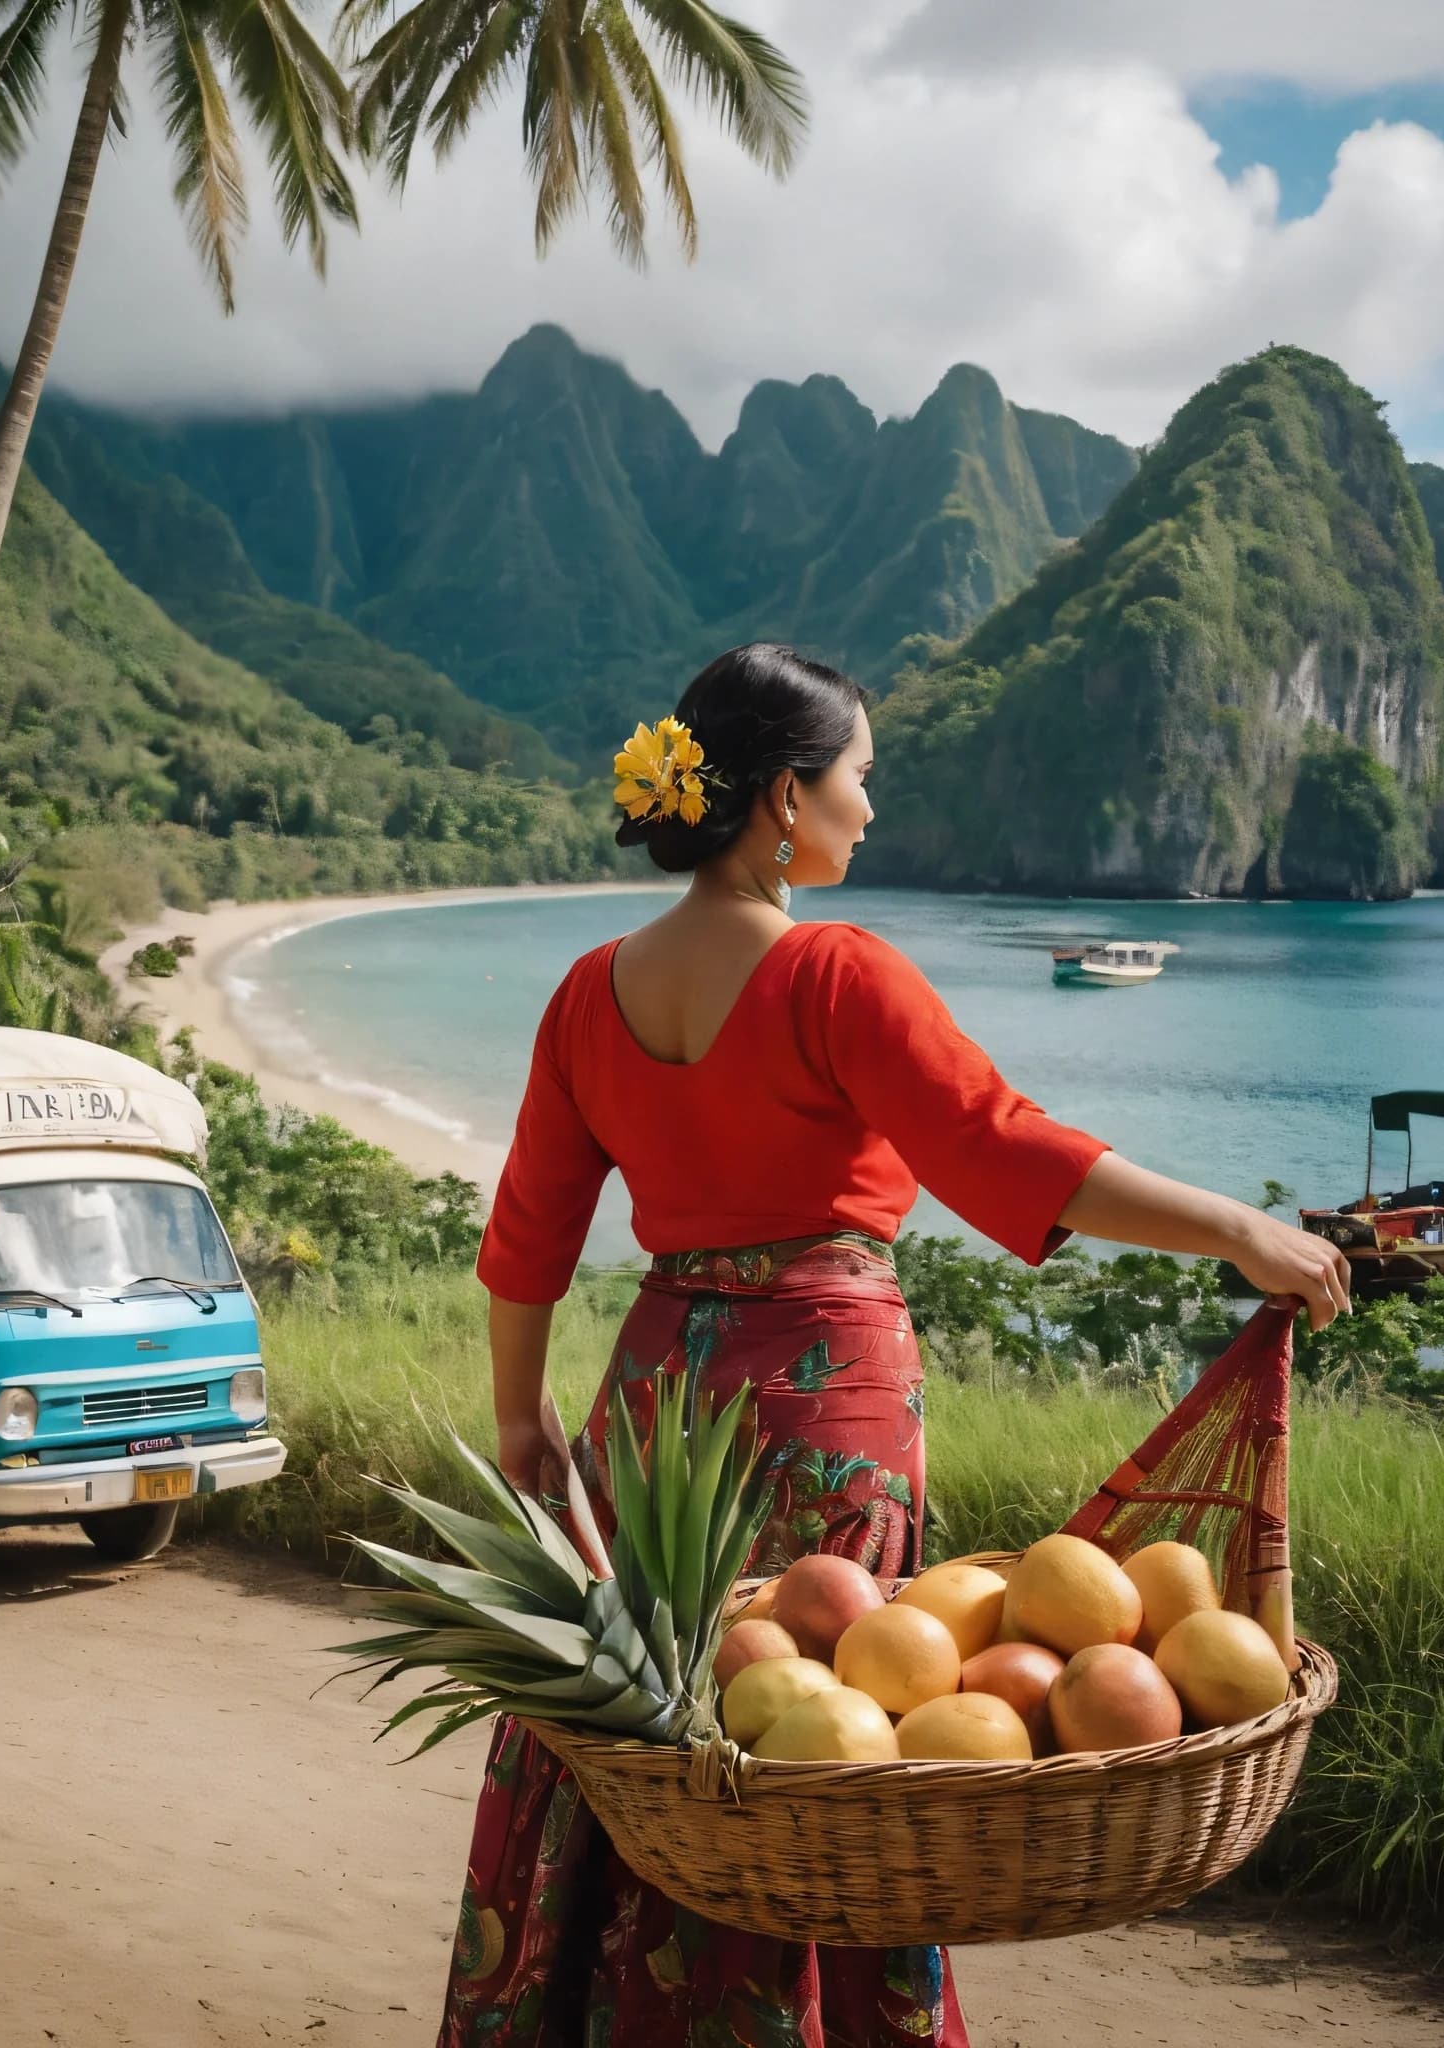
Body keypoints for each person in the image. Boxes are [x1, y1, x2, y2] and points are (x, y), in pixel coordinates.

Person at [442, 644, 1354, 2047]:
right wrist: (1240, 1229)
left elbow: (530, 1235)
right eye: (860, 777)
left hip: (653, 1402)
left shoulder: (587, 993)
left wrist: (521, 1420)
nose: (874, 806)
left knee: (675, 1731)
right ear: (784, 800)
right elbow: (1002, 1149)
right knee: (838, 1748)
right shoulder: (834, 976)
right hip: (826, 1395)